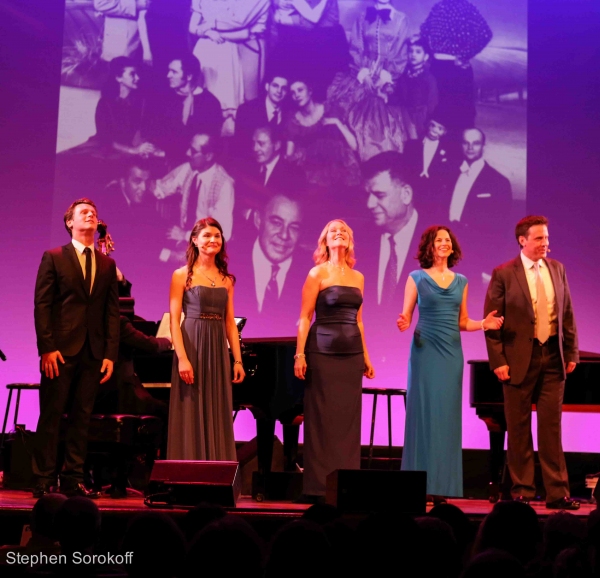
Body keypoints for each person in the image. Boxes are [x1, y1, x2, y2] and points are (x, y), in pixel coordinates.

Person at [397, 225, 503, 499]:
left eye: (447, 240)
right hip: (425, 351)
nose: (443, 243)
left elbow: (462, 321)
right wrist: (405, 321)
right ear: (429, 247)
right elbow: (406, 314)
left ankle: (442, 487)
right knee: (424, 414)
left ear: (452, 247)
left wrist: (484, 324)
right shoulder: (416, 278)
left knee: (446, 418)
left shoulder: (462, 281)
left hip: (451, 355)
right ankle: (418, 484)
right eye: (438, 240)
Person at [484, 215, 580, 510]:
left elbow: (567, 315)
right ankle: (522, 491)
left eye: (547, 238)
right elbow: (492, 322)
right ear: (522, 241)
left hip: (552, 357)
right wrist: (498, 359)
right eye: (539, 238)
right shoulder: (504, 273)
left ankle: (557, 493)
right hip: (517, 361)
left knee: (551, 428)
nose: (545, 244)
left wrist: (572, 352)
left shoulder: (557, 269)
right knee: (519, 427)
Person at [32, 198, 120, 498]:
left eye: (94, 212)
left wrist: (110, 354)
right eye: (84, 212)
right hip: (60, 351)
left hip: (93, 352)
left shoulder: (107, 264)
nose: (91, 215)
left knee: (82, 418)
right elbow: (42, 304)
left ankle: (73, 477)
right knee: (52, 415)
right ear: (70, 222)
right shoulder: (54, 256)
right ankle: (44, 478)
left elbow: (111, 312)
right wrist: (46, 347)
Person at [294, 219, 375, 502]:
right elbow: (304, 317)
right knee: (322, 420)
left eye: (343, 231)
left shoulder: (358, 277)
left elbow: (360, 322)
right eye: (332, 231)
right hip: (322, 352)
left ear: (349, 241)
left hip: (351, 355)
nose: (338, 234)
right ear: (325, 241)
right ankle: (317, 487)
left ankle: (346, 484)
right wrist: (300, 353)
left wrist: (366, 355)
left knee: (348, 422)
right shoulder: (317, 273)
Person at [167, 217, 244, 460]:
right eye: (207, 235)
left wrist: (238, 360)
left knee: (217, 409)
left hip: (217, 350)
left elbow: (229, 322)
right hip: (192, 346)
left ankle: (216, 472)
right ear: (195, 240)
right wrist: (182, 359)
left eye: (217, 236)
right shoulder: (181, 275)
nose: (213, 240)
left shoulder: (227, 279)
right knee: (191, 409)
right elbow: (174, 321)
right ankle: (189, 471)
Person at [326, 0, 410, 160]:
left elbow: (400, 54)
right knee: (347, 113)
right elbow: (356, 48)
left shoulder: (401, 19)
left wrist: (384, 78)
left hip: (388, 76)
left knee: (378, 119)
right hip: (361, 72)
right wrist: (364, 75)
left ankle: (375, 162)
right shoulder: (363, 16)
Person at [229, 194, 309, 335]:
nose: (284, 235)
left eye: (294, 227)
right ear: (258, 220)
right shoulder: (224, 264)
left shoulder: (314, 273)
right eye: (277, 223)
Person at [190, 0, 270, 134]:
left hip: (228, 49)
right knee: (203, 94)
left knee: (229, 97)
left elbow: (243, 28)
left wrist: (215, 30)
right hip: (205, 50)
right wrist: (207, 33)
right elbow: (192, 27)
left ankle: (229, 142)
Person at [154, 131, 235, 261]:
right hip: (183, 240)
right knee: (150, 249)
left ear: (208, 156)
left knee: (163, 257)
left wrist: (185, 235)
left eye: (193, 151)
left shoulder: (224, 185)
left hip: (207, 250)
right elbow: (160, 188)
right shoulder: (189, 169)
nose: (187, 153)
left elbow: (220, 234)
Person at [447, 128, 513, 285]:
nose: (470, 148)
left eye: (475, 143)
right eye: (466, 143)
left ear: (483, 146)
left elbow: (501, 231)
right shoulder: (448, 174)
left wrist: (490, 269)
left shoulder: (499, 182)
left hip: (476, 259)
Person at [420, 0, 492, 131]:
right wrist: (429, 54)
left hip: (457, 71)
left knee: (459, 116)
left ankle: (456, 150)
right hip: (437, 69)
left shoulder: (467, 8)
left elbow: (485, 34)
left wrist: (464, 55)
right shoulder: (438, 7)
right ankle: (435, 150)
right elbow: (424, 32)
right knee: (435, 112)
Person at [284, 78, 360, 195]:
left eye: (300, 90)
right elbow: (289, 155)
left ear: (310, 91)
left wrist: (337, 123)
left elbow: (354, 146)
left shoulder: (330, 110)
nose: (297, 95)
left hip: (340, 173)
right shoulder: (294, 122)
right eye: (293, 93)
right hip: (313, 178)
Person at [148, 55, 224, 163]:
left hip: (195, 163)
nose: (168, 75)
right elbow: (156, 133)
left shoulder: (210, 103)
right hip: (162, 161)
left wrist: (169, 154)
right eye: (169, 71)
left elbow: (209, 143)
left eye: (174, 72)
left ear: (188, 76)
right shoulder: (163, 99)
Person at [233, 72, 289, 159]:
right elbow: (239, 148)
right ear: (267, 87)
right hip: (250, 164)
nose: (279, 91)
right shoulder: (246, 110)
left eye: (284, 88)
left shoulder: (289, 114)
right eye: (275, 86)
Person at [394, 35, 439, 141]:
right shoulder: (404, 74)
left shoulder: (428, 78)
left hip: (420, 119)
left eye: (418, 52)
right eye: (411, 51)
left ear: (426, 56)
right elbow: (399, 96)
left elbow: (432, 102)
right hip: (402, 116)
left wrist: (428, 122)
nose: (413, 54)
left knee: (416, 144)